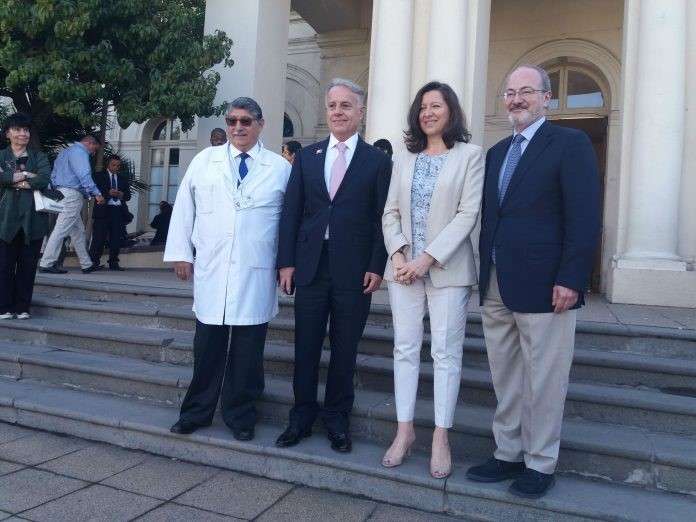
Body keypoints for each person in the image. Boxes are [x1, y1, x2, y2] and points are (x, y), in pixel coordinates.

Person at [466, 64, 600, 499]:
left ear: (546, 98)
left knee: (545, 377)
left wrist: (571, 278)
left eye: (526, 91)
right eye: (510, 92)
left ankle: (540, 462)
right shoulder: (496, 152)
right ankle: (507, 452)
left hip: (548, 286)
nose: (516, 99)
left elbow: (584, 217)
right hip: (496, 281)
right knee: (505, 375)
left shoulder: (570, 143)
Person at [275, 78, 391, 453]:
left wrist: (377, 264)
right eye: (333, 106)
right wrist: (286, 262)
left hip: (355, 271)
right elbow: (291, 213)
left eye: (346, 105)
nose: (338, 112)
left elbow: (381, 218)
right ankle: (301, 418)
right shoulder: (308, 157)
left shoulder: (377, 161)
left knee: (345, 350)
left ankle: (337, 421)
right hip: (310, 267)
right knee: (305, 347)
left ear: (361, 112)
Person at [165, 97, 291, 441]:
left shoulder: (279, 168)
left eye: (246, 121)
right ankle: (196, 413)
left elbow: (289, 223)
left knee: (248, 355)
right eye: (233, 120)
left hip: (256, 271)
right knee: (207, 349)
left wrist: (286, 264)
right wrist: (181, 253)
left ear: (260, 124)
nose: (238, 127)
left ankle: (241, 416)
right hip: (213, 267)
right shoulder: (205, 161)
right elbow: (184, 208)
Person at [381, 82, 484, 478]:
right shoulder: (404, 158)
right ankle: (404, 431)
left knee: (445, 353)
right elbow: (389, 212)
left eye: (435, 106)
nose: (427, 112)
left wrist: (426, 258)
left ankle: (441, 436)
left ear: (450, 111)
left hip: (447, 271)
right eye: (422, 107)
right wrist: (399, 254)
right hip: (403, 270)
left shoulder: (470, 157)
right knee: (404, 349)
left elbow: (467, 214)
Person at [0, 113, 51, 320]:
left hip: (33, 220)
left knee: (28, 266)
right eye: (18, 129)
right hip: (5, 219)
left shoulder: (39, 157)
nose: (23, 134)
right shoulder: (2, 156)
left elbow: (43, 179)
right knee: (4, 265)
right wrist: (27, 175)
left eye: (26, 130)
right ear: (7, 134)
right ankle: (4, 307)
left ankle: (22, 307)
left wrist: (11, 179)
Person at [38, 135, 105, 274]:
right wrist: (97, 193)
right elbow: (84, 175)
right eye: (94, 149)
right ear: (89, 143)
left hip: (62, 192)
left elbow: (54, 175)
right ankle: (46, 262)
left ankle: (86, 264)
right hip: (72, 194)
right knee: (61, 229)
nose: (93, 153)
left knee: (77, 230)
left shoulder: (65, 152)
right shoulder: (80, 153)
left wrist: (54, 191)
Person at [89, 155, 131, 271]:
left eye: (118, 166)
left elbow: (128, 196)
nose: (116, 168)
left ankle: (113, 262)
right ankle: (94, 261)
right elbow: (93, 192)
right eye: (113, 165)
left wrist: (121, 195)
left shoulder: (122, 178)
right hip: (103, 210)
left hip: (117, 211)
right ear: (108, 164)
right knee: (98, 237)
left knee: (116, 238)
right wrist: (108, 193)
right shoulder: (99, 176)